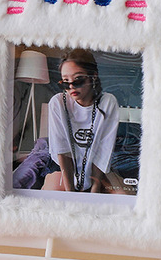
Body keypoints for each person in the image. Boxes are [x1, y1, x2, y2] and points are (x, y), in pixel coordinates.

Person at [42, 49, 120, 193]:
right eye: (65, 82)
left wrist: (95, 188)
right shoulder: (58, 103)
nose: (71, 86)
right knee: (50, 197)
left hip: (98, 168)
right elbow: (62, 150)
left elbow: (103, 150)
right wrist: (70, 192)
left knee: (124, 196)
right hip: (63, 167)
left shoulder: (108, 102)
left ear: (93, 76)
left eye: (78, 79)